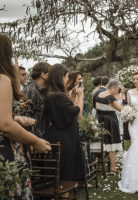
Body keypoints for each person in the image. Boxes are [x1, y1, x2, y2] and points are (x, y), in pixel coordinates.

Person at [0, 34, 51, 199]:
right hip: (5, 152)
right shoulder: (3, 79)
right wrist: (35, 141)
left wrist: (17, 118)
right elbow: (5, 125)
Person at [43, 64, 85, 182]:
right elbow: (77, 112)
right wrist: (80, 97)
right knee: (66, 169)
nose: (68, 80)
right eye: (66, 76)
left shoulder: (52, 94)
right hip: (64, 136)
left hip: (61, 133)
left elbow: (64, 109)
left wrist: (71, 97)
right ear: (60, 77)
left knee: (65, 169)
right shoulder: (57, 96)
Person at [95, 79, 123, 173]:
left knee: (103, 143)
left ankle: (99, 165)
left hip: (101, 121)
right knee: (112, 144)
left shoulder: (99, 94)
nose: (117, 91)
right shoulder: (110, 98)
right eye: (117, 89)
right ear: (113, 88)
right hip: (110, 123)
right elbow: (121, 109)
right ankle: (112, 168)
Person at [23, 62, 51, 137]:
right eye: (51, 73)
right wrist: (33, 141)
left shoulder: (46, 91)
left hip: (45, 138)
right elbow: (27, 119)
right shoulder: (31, 91)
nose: (53, 76)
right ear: (43, 75)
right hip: (34, 140)